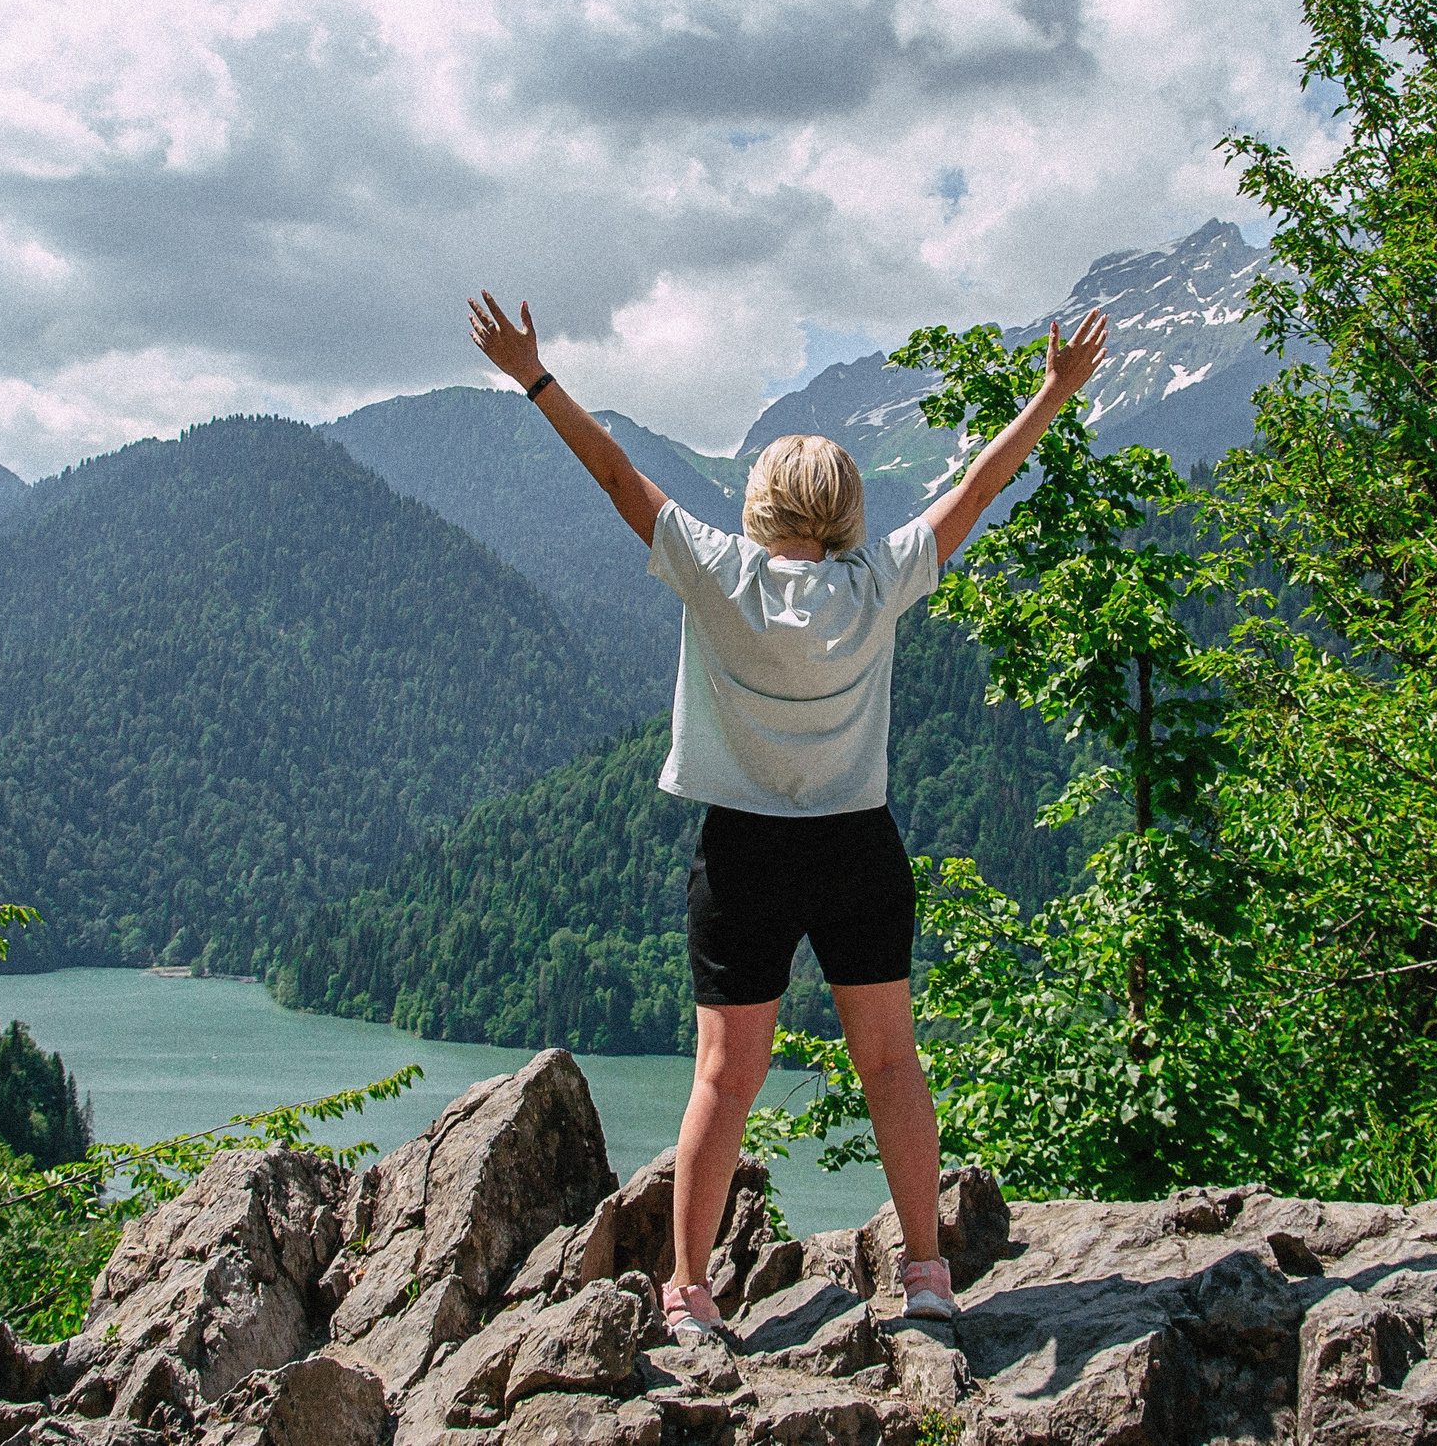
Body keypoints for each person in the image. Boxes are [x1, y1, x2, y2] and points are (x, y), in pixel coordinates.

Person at [467, 290, 1109, 1342]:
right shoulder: (879, 579)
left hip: (745, 852)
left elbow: (617, 476)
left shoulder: (719, 573)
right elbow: (981, 484)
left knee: (724, 1078)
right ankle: (929, 1274)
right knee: (891, 1063)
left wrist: (535, 376)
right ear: (846, 509)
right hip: (859, 847)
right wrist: (1053, 393)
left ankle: (689, 1293)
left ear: (760, 505)